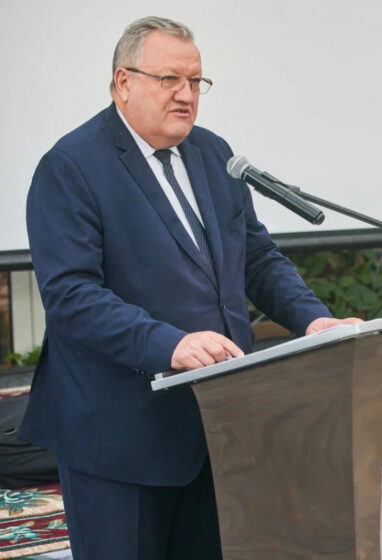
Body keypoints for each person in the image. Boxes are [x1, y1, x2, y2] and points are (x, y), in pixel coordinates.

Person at [22, 16, 358, 560]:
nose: (185, 95)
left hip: (220, 425)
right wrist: (169, 343)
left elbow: (257, 258)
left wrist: (312, 320)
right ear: (122, 82)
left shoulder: (212, 153)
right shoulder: (71, 167)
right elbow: (71, 297)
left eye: (196, 82)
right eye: (169, 80)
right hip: (120, 437)